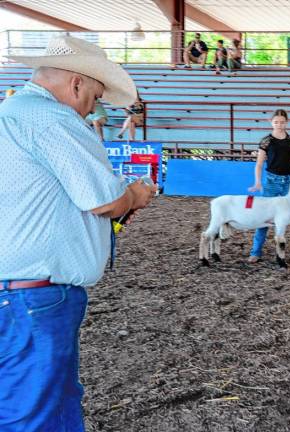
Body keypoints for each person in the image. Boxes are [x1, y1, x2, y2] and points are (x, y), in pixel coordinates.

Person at [0, 35, 157, 432]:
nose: (94, 108)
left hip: (21, 289)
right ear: (76, 84)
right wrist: (135, 195)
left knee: (52, 399)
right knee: (32, 410)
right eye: (95, 96)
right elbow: (102, 200)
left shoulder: (14, 114)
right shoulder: (53, 118)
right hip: (35, 293)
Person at [248, 109, 290, 268]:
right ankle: (255, 252)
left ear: (287, 122)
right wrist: (258, 182)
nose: (279, 124)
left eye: (282, 122)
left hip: (288, 185)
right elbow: (259, 164)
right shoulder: (266, 142)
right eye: (276, 122)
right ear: (271, 122)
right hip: (271, 183)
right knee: (264, 220)